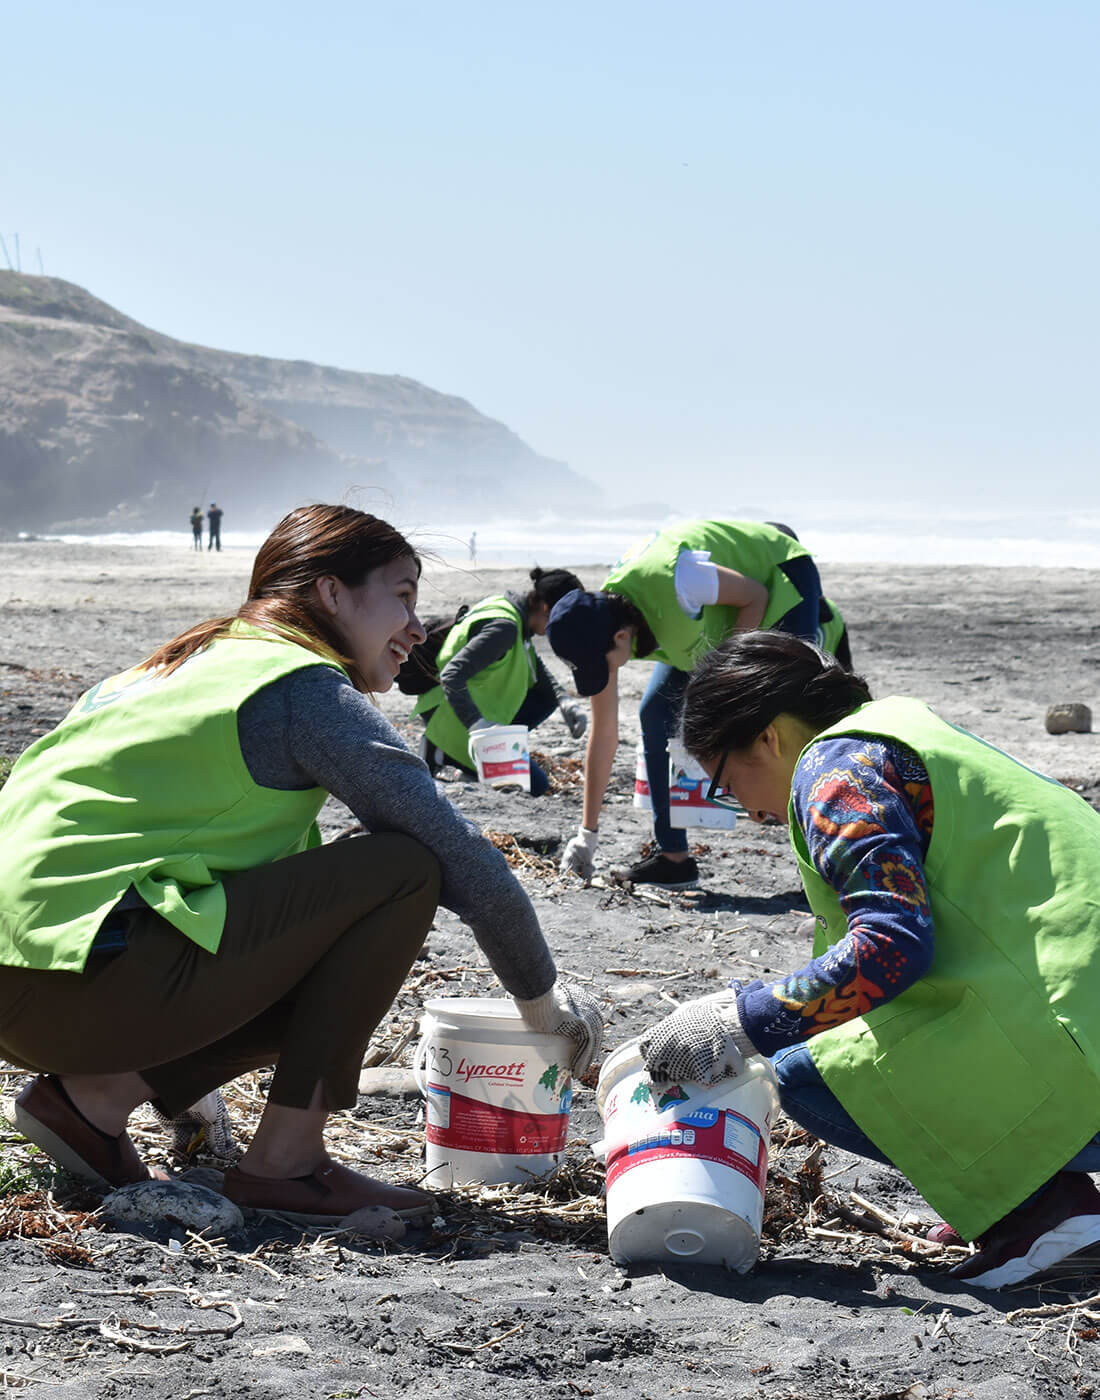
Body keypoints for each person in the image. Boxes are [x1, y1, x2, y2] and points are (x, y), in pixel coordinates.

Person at [0, 505, 602, 1222]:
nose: (418, 627)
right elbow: (457, 854)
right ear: (332, 593)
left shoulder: (175, 665)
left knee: (321, 911)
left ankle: (93, 1101)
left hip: (36, 972)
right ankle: (286, 1163)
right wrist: (542, 1005)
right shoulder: (299, 689)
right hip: (80, 982)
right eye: (403, 595)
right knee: (401, 871)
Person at [638, 630, 1100, 1288]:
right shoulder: (901, 731)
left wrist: (740, 1022)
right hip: (1071, 999)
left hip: (1081, 1035)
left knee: (808, 1073)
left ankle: (1051, 1213)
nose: (746, 809)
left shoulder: (834, 772)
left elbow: (890, 946)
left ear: (768, 738)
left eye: (726, 780)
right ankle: (1016, 1203)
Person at [546, 519, 826, 888]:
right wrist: (587, 834)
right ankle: (673, 858)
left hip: (780, 579)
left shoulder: (679, 581)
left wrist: (725, 683)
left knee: (785, 721)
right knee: (655, 712)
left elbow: (755, 596)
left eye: (603, 666)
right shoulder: (600, 625)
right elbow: (604, 735)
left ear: (622, 636)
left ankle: (822, 867)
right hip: (709, 623)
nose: (606, 674)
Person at [415, 568, 588, 797]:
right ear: (547, 608)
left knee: (546, 697)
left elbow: (535, 666)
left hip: (463, 709)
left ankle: (478, 756)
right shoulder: (504, 628)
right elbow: (451, 674)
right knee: (535, 786)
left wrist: (565, 701)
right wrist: (477, 726)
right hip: (451, 715)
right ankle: (440, 750)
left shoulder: (513, 611)